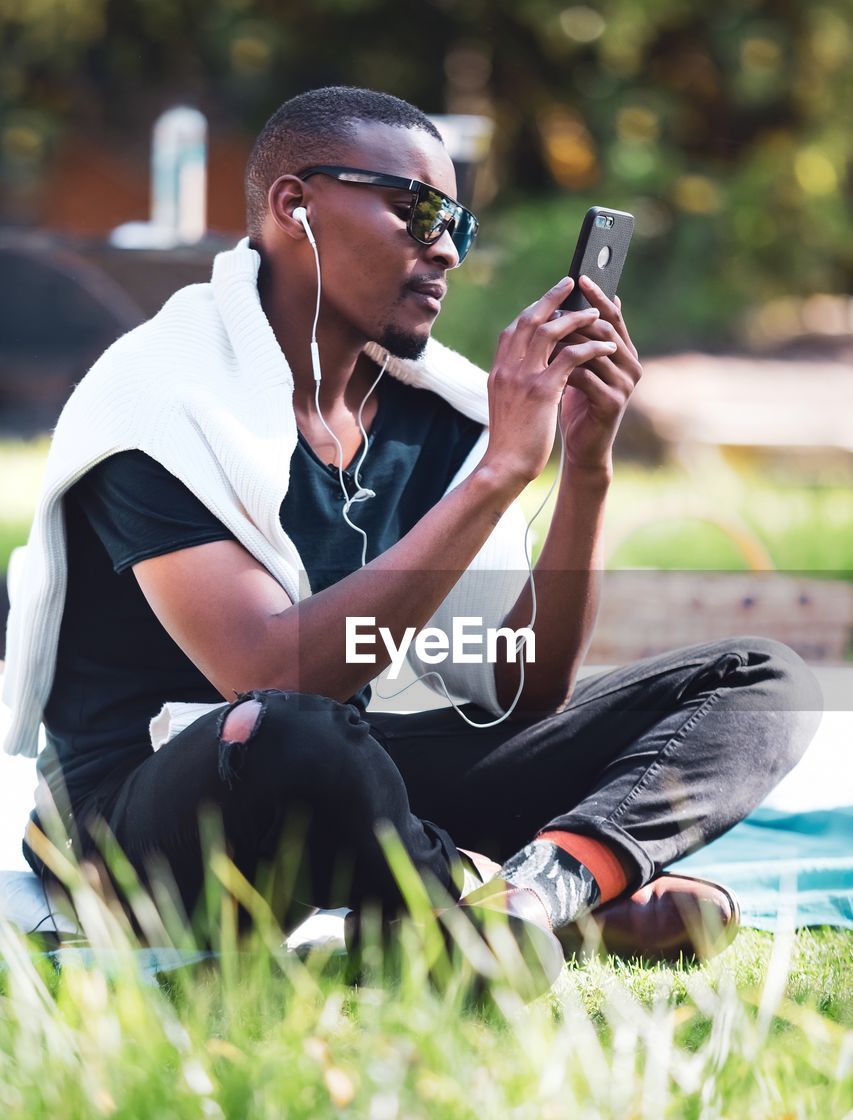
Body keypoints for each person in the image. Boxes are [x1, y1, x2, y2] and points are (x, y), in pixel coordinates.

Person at [4, 86, 821, 985]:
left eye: (456, 226)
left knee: (763, 679)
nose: (442, 249)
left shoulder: (434, 414)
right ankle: (465, 897)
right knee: (290, 732)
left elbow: (522, 686)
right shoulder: (160, 400)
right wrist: (496, 475)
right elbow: (272, 671)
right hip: (158, 819)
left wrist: (582, 469)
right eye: (413, 211)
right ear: (294, 205)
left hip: (355, 780)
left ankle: (534, 897)